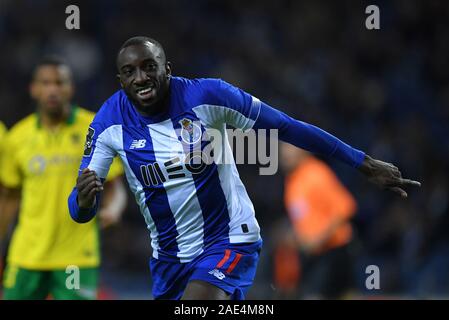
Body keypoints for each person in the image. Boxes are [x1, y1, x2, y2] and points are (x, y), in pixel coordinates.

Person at [68, 36, 421, 300]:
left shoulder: (208, 97)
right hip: (169, 258)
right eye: (130, 72)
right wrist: (84, 203)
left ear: (167, 70)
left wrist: (361, 161)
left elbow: (286, 126)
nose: (141, 78)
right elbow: (79, 209)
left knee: (199, 302)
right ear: (120, 81)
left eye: (149, 67)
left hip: (228, 238)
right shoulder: (108, 124)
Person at [0, 57, 127, 300]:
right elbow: (9, 199)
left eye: (60, 83)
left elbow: (114, 185)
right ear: (34, 89)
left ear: (71, 88)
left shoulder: (94, 128)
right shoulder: (18, 137)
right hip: (26, 255)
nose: (53, 90)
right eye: (46, 83)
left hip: (75, 256)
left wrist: (114, 208)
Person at [279, 143, 358, 299]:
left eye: (290, 149)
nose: (285, 155)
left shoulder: (316, 174)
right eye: (283, 151)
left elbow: (345, 208)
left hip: (334, 251)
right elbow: (304, 217)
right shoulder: (293, 180)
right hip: (314, 255)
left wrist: (318, 238)